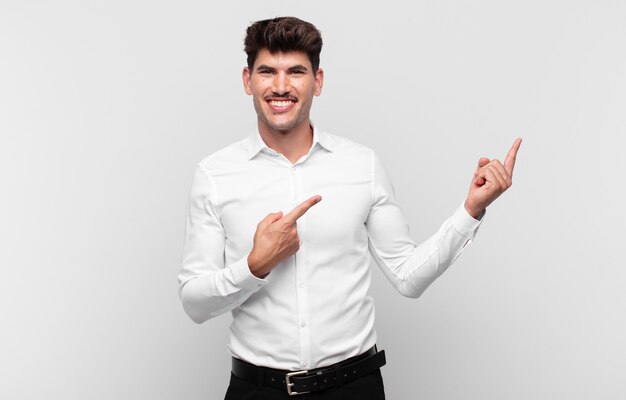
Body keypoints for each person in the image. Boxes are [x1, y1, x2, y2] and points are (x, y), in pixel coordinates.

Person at [178, 16, 522, 399]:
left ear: (317, 81)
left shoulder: (362, 165)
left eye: (295, 71)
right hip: (258, 391)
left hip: (353, 389)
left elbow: (408, 277)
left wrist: (471, 209)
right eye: (267, 72)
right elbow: (194, 303)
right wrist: (255, 265)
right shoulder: (214, 174)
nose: (280, 86)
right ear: (248, 81)